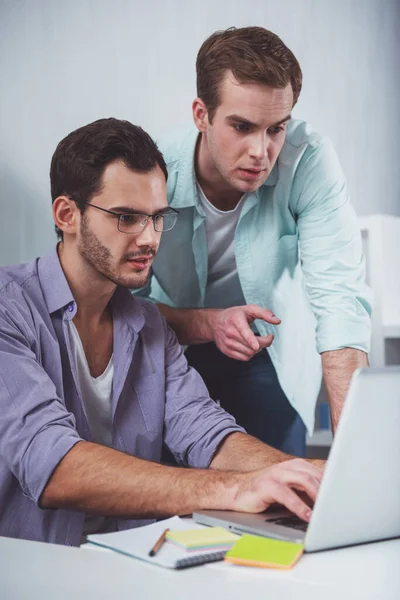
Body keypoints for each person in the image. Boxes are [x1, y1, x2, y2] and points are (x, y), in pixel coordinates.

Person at [0, 118, 323, 547]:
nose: (150, 238)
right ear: (66, 214)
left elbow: (208, 433)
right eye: (127, 217)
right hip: (36, 571)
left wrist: (300, 474)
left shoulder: (149, 325)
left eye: (157, 217)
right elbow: (53, 464)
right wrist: (233, 489)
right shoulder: (10, 310)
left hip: (139, 561)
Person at [135, 26, 372, 456]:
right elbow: (121, 306)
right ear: (201, 115)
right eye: (241, 126)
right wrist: (208, 323)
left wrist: (354, 464)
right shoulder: (152, 171)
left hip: (270, 350)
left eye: (276, 128)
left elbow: (340, 302)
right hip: (174, 341)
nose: (261, 151)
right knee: (179, 488)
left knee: (281, 494)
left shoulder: (309, 161)